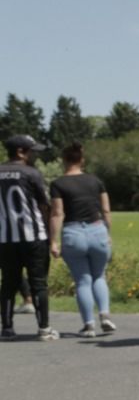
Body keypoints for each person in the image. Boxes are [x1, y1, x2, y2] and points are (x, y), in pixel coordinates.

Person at [49, 143, 116, 338]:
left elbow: (57, 213)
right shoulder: (96, 181)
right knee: (99, 276)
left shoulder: (58, 184)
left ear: (64, 160)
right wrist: (107, 232)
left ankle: (89, 325)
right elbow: (106, 210)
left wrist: (53, 241)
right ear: (82, 160)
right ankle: (105, 316)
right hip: (97, 231)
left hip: (73, 233)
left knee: (83, 281)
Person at [0, 134, 57, 341]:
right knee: (39, 283)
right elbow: (43, 205)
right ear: (20, 152)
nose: (34, 154)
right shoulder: (31, 173)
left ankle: (7, 328)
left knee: (8, 284)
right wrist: (51, 235)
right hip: (33, 236)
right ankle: (44, 328)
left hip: (5, 238)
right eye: (31, 151)